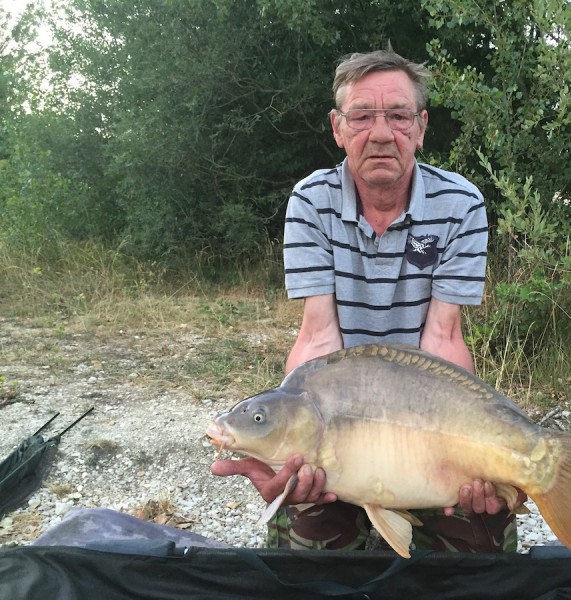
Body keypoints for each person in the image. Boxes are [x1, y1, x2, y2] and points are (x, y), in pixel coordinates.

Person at [211, 49, 523, 553]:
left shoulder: (460, 204)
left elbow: (443, 340)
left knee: (482, 532)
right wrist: (289, 458)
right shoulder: (311, 202)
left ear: (420, 127)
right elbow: (318, 337)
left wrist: (475, 443)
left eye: (398, 116)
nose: (381, 133)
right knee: (308, 542)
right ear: (338, 128)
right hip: (340, 408)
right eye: (362, 117)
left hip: (425, 411)